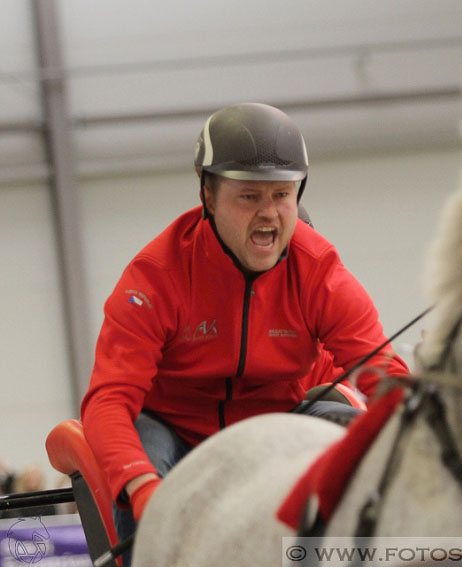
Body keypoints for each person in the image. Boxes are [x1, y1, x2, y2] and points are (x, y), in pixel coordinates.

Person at [80, 102, 409, 564]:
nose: (269, 214)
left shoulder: (321, 271)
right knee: (144, 463)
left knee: (367, 442)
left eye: (282, 195)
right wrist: (143, 488)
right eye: (249, 197)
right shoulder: (154, 277)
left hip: (280, 421)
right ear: (209, 198)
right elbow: (108, 401)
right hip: (172, 429)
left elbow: (382, 374)